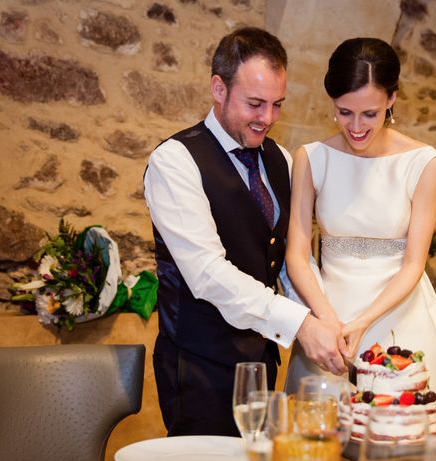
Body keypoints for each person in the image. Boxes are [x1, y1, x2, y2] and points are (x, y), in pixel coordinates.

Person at [284, 37, 436, 418]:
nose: (355, 126)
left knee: (404, 436)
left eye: (369, 113)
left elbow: (413, 264)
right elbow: (297, 255)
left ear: (392, 99)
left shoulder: (423, 162)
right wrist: (329, 321)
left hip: (399, 314)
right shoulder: (312, 158)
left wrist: (363, 321)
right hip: (327, 319)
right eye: (343, 112)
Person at [144, 26, 347, 438]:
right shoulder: (175, 161)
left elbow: (292, 257)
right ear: (218, 89)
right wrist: (300, 325)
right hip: (198, 368)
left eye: (277, 105)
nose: (267, 119)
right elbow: (206, 273)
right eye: (255, 104)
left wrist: (326, 317)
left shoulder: (282, 160)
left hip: (261, 363)